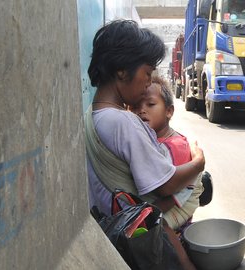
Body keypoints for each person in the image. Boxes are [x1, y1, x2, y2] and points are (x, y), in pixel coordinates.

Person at [85, 20, 200, 270]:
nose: (149, 82)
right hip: (136, 241)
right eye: (147, 73)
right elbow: (166, 184)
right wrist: (198, 162)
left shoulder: (90, 116)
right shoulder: (125, 122)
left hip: (106, 231)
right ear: (122, 71)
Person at [130, 75, 213, 232]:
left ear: (169, 111)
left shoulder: (176, 146)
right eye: (135, 106)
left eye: (150, 104)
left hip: (172, 214)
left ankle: (183, 258)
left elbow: (178, 193)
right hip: (158, 206)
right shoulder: (147, 140)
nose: (141, 110)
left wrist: (148, 213)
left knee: (161, 227)